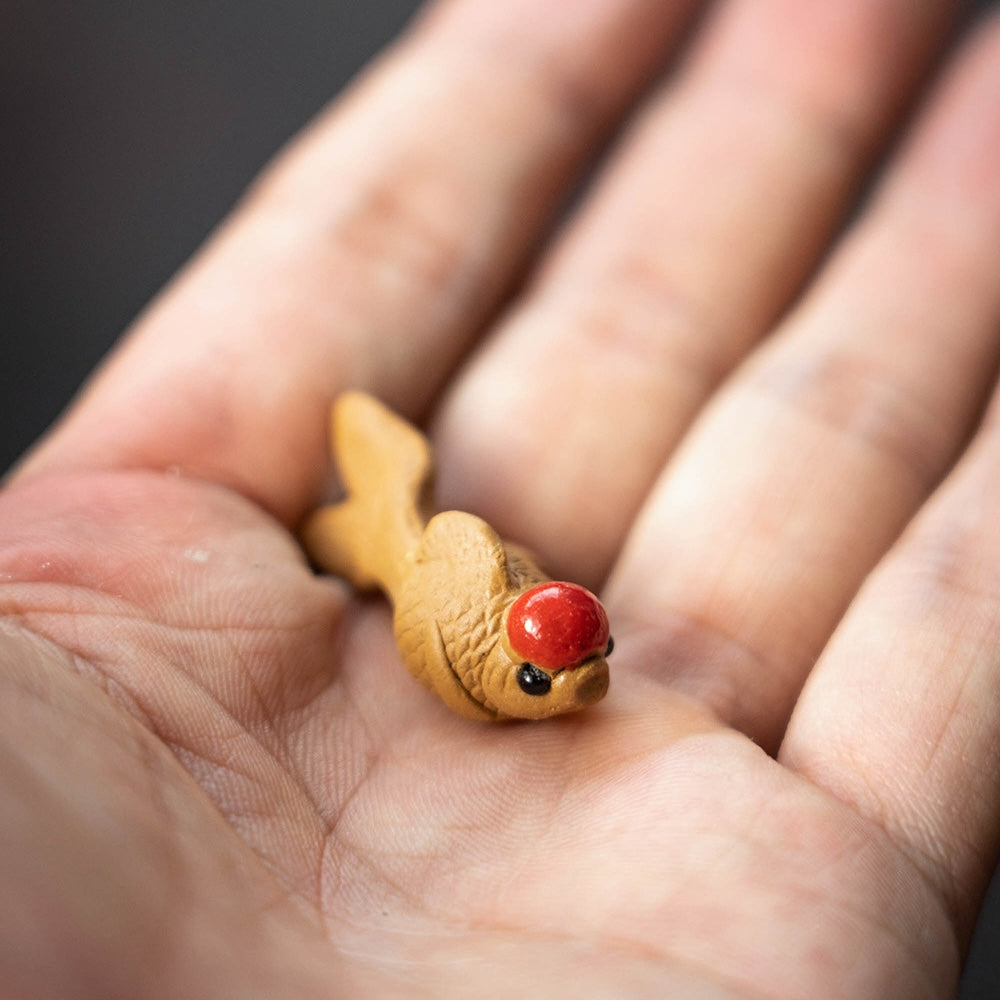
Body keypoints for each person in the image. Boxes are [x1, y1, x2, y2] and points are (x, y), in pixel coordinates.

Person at [2, 0, 999, 995]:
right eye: (555, 675)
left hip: (441, 561)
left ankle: (370, 525)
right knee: (385, 528)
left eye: (587, 659)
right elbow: (463, 561)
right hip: (429, 565)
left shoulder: (516, 631)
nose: (583, 684)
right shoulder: (459, 648)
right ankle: (366, 528)